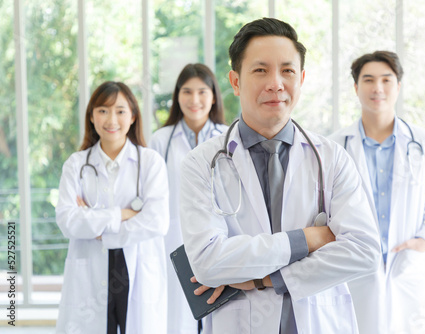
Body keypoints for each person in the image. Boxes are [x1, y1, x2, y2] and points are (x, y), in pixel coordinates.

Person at [179, 18, 381, 333]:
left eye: (287, 71)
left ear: (300, 79)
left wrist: (266, 278)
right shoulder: (200, 163)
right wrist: (308, 239)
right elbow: (207, 262)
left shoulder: (331, 158)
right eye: (260, 70)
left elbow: (364, 252)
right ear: (235, 81)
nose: (276, 83)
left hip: (318, 321)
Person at [329, 51, 425, 333]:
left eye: (386, 80)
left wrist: (424, 240)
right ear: (355, 87)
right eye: (369, 80)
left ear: (398, 86)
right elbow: (323, 207)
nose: (378, 88)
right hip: (354, 268)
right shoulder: (335, 147)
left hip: (407, 265)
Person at [56, 81, 169, 333]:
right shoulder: (76, 164)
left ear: (133, 116)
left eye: (120, 110)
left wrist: (99, 229)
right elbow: (67, 220)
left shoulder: (150, 163)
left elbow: (157, 222)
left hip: (137, 266)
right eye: (103, 110)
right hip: (90, 268)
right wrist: (121, 215)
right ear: (92, 117)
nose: (111, 119)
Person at [149, 63, 227, 334]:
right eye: (187, 92)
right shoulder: (161, 140)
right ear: (177, 96)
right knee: (177, 316)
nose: (195, 100)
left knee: (220, 312)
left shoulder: (228, 138)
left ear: (214, 96)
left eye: (202, 92)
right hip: (173, 240)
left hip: (218, 239)